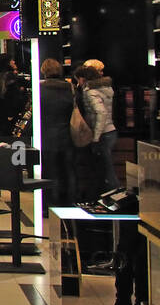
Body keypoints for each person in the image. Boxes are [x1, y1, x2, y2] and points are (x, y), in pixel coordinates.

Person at [38, 58, 77, 207]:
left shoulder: (40, 89)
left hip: (46, 135)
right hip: (66, 134)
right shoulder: (70, 88)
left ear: (44, 71)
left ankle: (50, 203)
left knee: (48, 171)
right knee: (68, 170)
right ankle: (70, 201)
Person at [77, 60, 118, 192]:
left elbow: (101, 113)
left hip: (102, 133)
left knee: (106, 168)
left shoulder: (91, 92)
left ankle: (114, 195)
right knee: (105, 166)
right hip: (108, 131)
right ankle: (109, 195)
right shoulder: (104, 89)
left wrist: (95, 136)